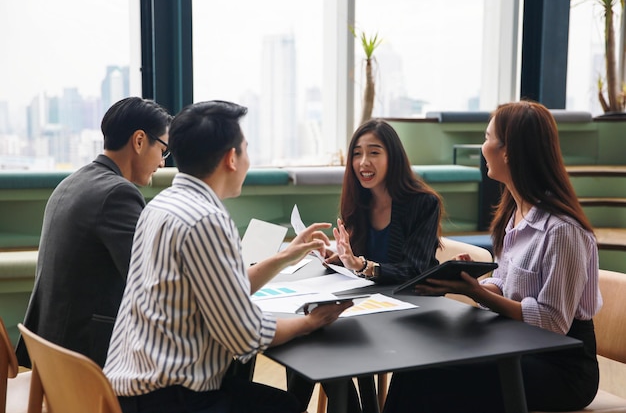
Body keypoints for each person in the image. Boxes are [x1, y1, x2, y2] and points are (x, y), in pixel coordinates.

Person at [103, 100, 352, 413]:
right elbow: (244, 335)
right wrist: (310, 322)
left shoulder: (162, 205)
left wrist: (285, 256)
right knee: (283, 406)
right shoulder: (207, 219)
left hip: (128, 387)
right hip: (167, 398)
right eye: (246, 149)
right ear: (231, 158)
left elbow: (222, 289)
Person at [382, 100, 602, 412]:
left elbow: (553, 323)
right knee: (417, 366)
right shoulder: (514, 212)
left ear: (508, 151)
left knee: (429, 377)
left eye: (487, 138)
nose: (482, 146)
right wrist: (470, 284)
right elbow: (504, 282)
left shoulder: (562, 231)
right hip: (517, 345)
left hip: (561, 369)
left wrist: (473, 291)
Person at [287, 118, 444, 413]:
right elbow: (357, 258)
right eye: (357, 153)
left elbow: (415, 269)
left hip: (410, 311)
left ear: (393, 158)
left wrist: (363, 265)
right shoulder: (358, 200)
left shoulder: (424, 203)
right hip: (369, 305)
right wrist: (340, 258)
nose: (363, 162)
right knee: (308, 329)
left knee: (320, 338)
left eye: (374, 152)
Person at [15, 97, 172, 368]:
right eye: (163, 150)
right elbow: (152, 282)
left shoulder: (71, 183)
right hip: (88, 364)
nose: (162, 164)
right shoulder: (118, 193)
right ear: (139, 141)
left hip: (50, 354)